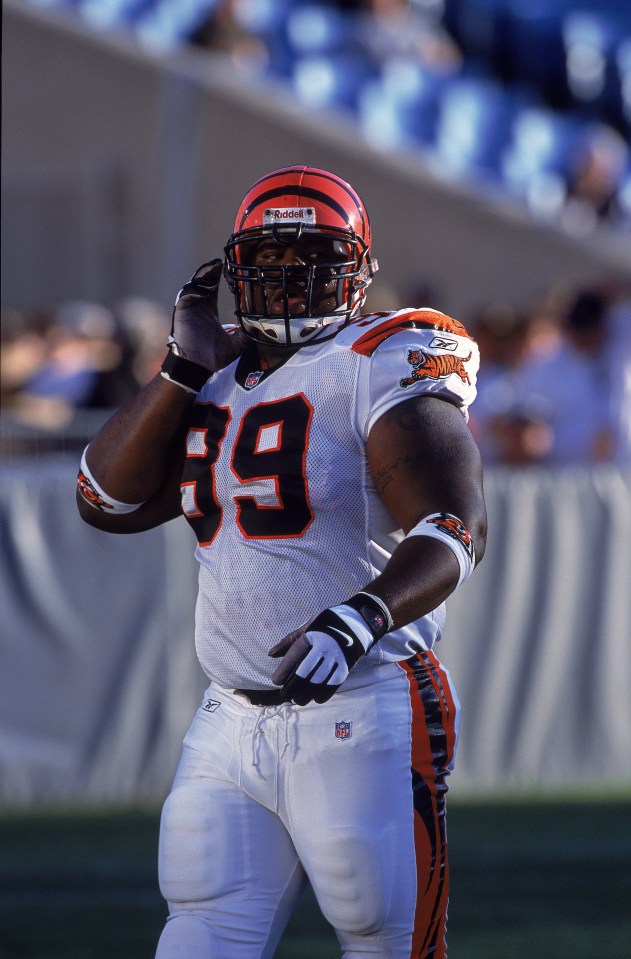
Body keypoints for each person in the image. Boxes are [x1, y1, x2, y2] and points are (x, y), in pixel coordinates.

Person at [76, 164, 487, 959]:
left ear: (358, 267)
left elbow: (453, 523)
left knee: (383, 934)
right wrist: (179, 369)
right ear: (234, 271)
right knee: (199, 933)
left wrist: (357, 617)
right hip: (230, 717)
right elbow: (104, 500)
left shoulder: (381, 356)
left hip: (366, 702)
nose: (290, 277)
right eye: (269, 260)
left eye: (312, 257)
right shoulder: (215, 380)